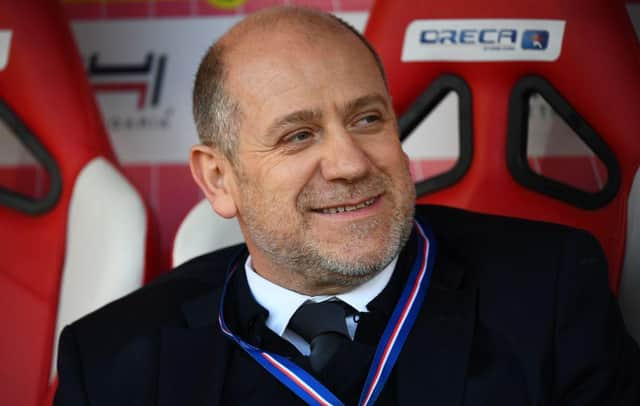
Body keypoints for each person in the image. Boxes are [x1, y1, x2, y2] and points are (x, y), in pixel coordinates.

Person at [54, 6, 640, 405]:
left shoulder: (553, 291)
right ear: (218, 178)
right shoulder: (111, 360)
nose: (352, 163)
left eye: (367, 119)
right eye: (298, 135)